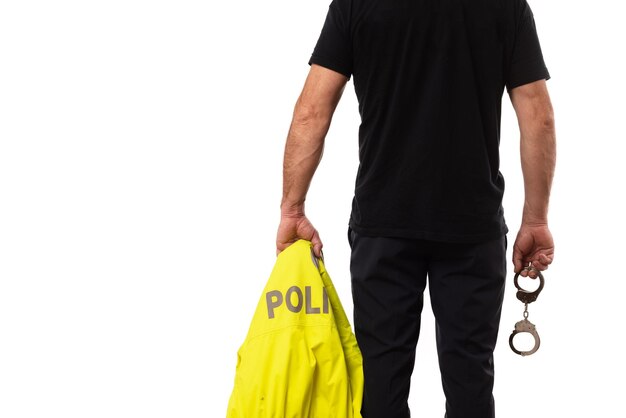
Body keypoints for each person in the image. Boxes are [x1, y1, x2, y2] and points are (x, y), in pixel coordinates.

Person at [276, 0, 556, 417]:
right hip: (472, 227)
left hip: (382, 225)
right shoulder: (506, 6)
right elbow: (538, 115)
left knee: (381, 385)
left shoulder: (355, 4)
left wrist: (292, 208)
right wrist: (535, 219)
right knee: (470, 385)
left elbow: (312, 112)